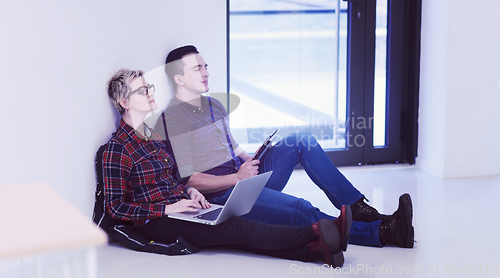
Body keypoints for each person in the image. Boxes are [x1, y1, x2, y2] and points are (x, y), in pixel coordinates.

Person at [157, 45, 414, 249]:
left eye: (205, 66)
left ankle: (357, 207)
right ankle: (383, 232)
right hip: (224, 196)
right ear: (178, 78)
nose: (205, 72)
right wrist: (237, 178)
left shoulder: (214, 104)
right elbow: (189, 179)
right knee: (300, 209)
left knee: (301, 139)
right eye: (196, 69)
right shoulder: (175, 118)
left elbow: (230, 145)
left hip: (244, 177)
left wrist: (252, 159)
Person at [102, 68, 353, 267]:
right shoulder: (117, 149)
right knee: (236, 228)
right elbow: (114, 207)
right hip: (157, 221)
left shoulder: (152, 136)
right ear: (125, 102)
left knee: (236, 236)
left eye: (149, 87)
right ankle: (315, 234)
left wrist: (190, 193)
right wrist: (169, 207)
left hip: (183, 207)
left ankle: (315, 252)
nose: (149, 93)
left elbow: (172, 179)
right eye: (142, 90)